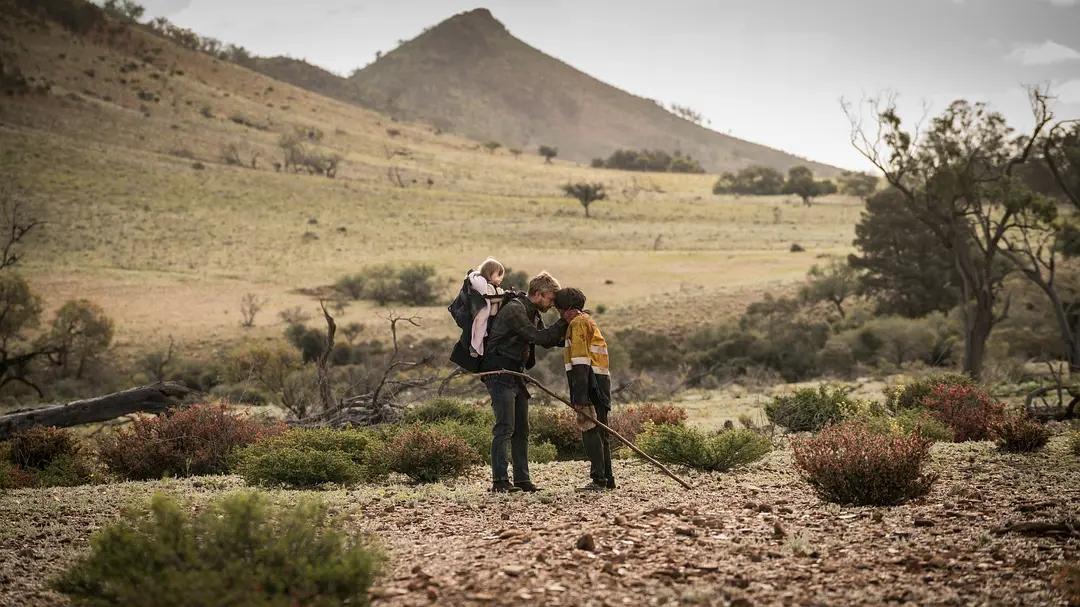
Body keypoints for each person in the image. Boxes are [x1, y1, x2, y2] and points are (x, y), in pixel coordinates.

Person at [481, 271, 567, 493]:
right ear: (538, 294)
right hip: (499, 373)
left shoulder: (531, 312)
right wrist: (564, 321)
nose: (552, 304)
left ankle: (522, 480)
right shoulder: (515, 310)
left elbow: (547, 341)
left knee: (522, 430)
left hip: (515, 374)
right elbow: (540, 338)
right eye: (550, 299)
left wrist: (573, 330)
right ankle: (499, 482)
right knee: (505, 428)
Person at [554, 287, 614, 491]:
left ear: (568, 310)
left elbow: (580, 361)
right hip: (601, 381)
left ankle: (598, 479)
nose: (560, 315)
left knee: (589, 429)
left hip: (589, 382)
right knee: (602, 430)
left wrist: (579, 396)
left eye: (560, 310)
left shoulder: (578, 323)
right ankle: (608, 479)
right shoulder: (589, 321)